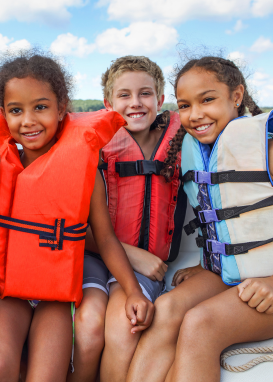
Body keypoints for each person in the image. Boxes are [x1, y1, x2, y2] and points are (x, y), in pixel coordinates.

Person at [126, 56, 273, 382]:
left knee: (200, 324)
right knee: (168, 308)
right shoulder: (199, 160)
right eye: (184, 105)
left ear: (237, 96)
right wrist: (205, 265)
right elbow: (225, 225)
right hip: (228, 274)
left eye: (208, 99)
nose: (195, 114)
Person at [0, 51, 154, 382]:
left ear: (61, 108)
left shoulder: (84, 172)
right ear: (3, 115)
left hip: (54, 297)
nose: (28, 120)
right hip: (5, 291)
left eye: (40, 107)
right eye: (16, 110)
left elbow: (105, 238)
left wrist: (132, 291)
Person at [70, 56, 187, 382]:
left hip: (146, 267)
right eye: (124, 95)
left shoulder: (180, 143)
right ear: (109, 103)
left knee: (123, 327)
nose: (135, 103)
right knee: (90, 324)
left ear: (160, 100)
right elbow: (76, 226)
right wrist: (132, 254)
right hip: (95, 256)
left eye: (145, 94)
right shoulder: (94, 147)